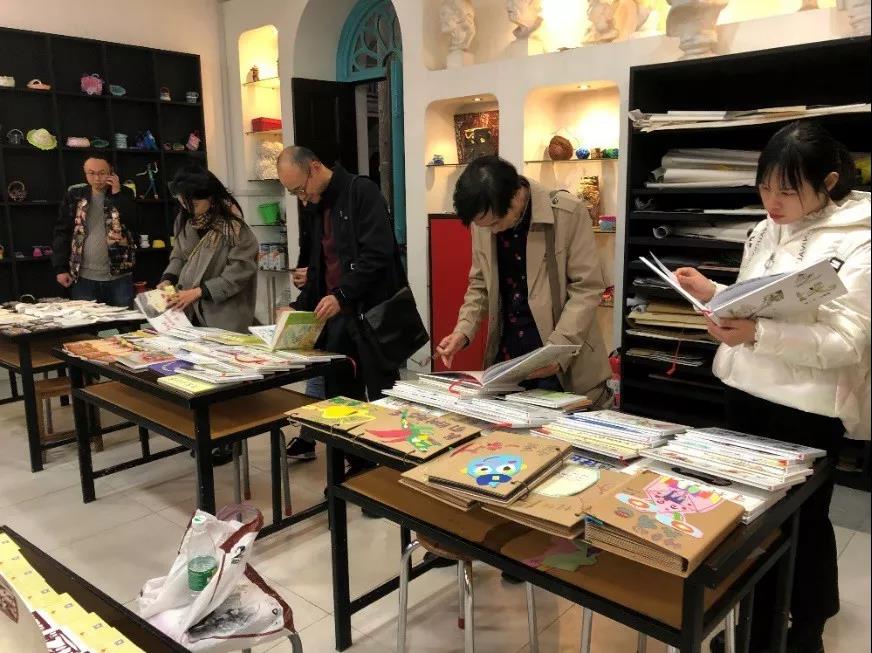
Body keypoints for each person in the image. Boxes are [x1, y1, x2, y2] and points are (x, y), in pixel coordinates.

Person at [675, 121, 870, 653]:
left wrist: (759, 334)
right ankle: (752, 626)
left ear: (829, 182)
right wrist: (714, 294)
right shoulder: (764, 229)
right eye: (764, 187)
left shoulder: (861, 239)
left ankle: (806, 630)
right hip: (744, 389)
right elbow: (756, 299)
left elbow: (849, 341)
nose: (772, 202)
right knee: (748, 519)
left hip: (807, 407)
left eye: (788, 190)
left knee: (805, 522)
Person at [436, 155, 612, 406]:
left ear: (516, 197)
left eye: (496, 223)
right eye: (484, 226)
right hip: (508, 359)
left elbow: (586, 288)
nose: (492, 231)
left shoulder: (567, 213)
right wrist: (463, 331)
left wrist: (557, 350)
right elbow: (479, 284)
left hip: (561, 361)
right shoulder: (484, 221)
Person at [277, 146, 405, 463]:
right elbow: (317, 267)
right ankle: (354, 470)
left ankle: (386, 470)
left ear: (315, 167)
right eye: (294, 193)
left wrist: (342, 294)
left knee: (383, 399)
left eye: (300, 189)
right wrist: (299, 305)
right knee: (340, 401)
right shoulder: (315, 206)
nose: (302, 198)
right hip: (336, 321)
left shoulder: (361, 192)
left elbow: (378, 254)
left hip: (372, 317)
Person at [157, 165, 258, 333]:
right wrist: (168, 279)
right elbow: (179, 256)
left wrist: (198, 292)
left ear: (211, 198)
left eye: (194, 204)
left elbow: (238, 275)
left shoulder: (234, 229)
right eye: (183, 202)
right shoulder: (184, 221)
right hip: (187, 311)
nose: (188, 208)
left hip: (223, 316)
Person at [52, 156, 138, 307]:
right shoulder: (75, 195)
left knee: (124, 319)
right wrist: (61, 268)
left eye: (102, 173)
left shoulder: (125, 193)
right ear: (85, 173)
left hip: (119, 274)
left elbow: (135, 223)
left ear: (111, 173)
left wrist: (117, 195)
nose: (97, 178)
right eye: (91, 173)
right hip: (83, 276)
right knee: (85, 320)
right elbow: (62, 231)